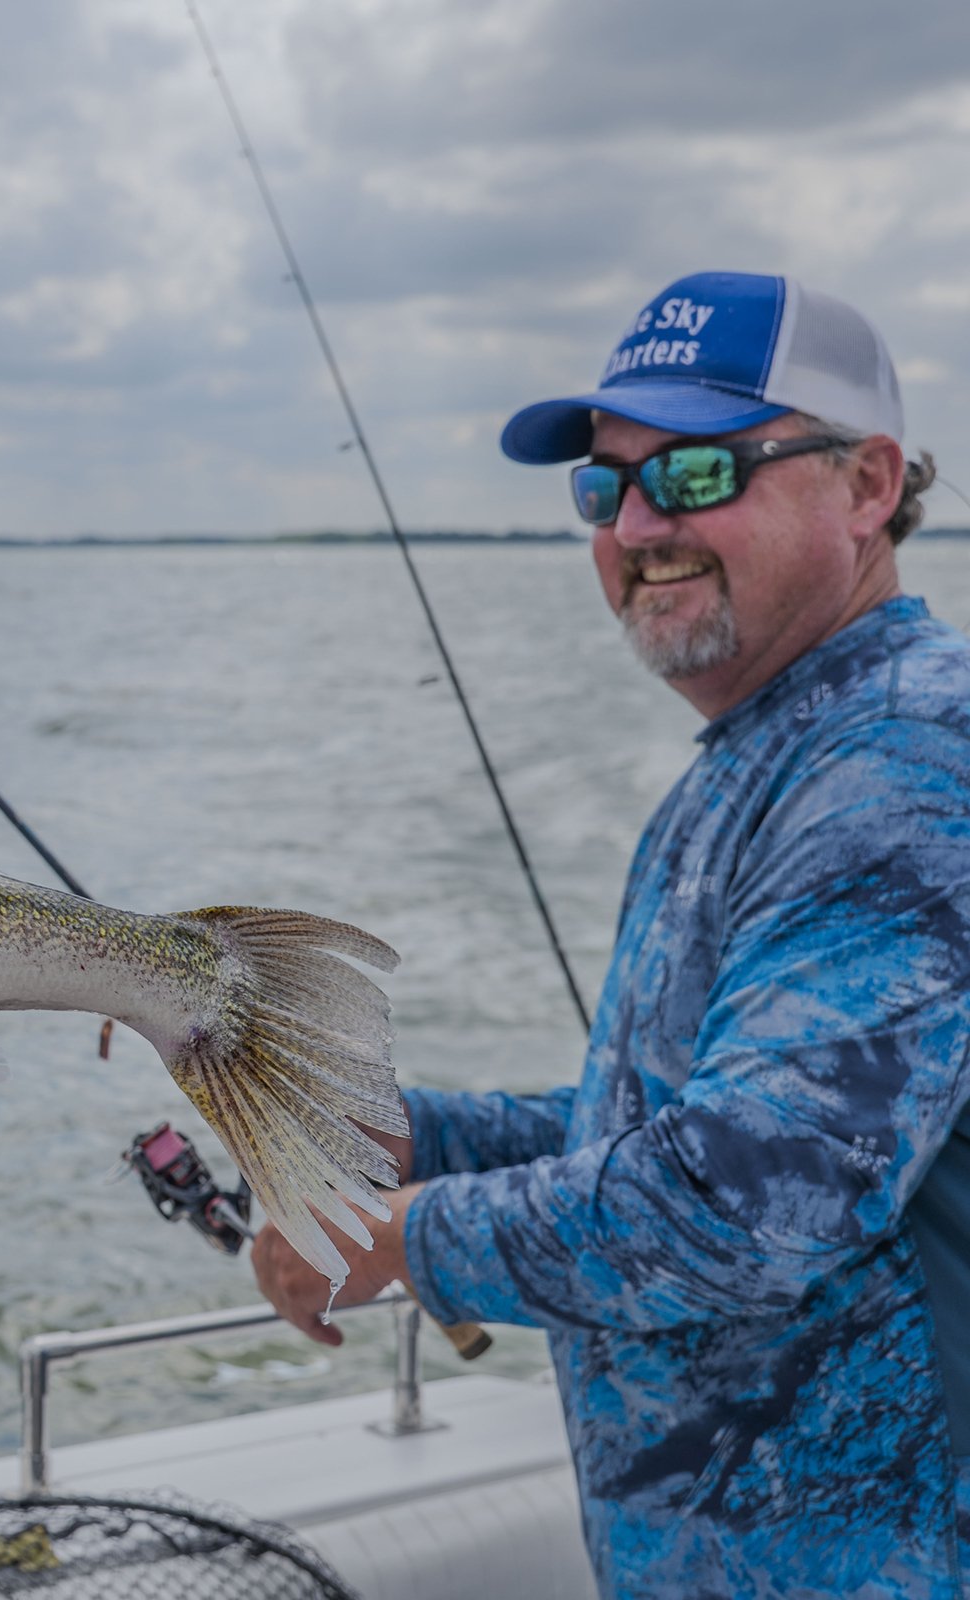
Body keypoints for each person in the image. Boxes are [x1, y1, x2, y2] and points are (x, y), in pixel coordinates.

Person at [251, 271, 970, 1595]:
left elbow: (748, 1200)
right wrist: (421, 1140)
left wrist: (399, 1235)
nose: (639, 523)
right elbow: (676, 1122)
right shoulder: (772, 754)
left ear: (870, 486)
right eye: (606, 487)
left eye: (699, 472)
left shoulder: (902, 768)